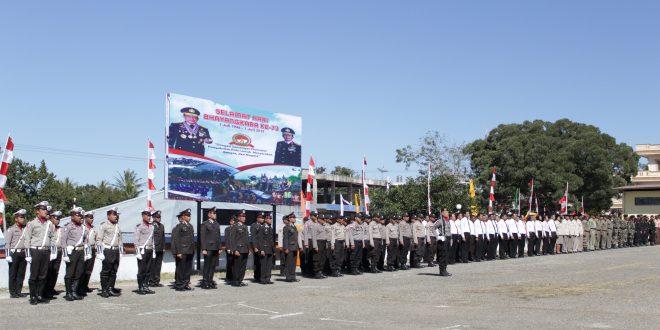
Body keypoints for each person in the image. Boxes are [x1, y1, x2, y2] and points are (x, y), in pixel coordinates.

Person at [25, 201, 55, 305]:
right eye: (43, 209)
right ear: (37, 211)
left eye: (46, 209)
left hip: (45, 251)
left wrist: (52, 251)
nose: (45, 211)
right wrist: (28, 254)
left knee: (43, 275)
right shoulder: (32, 223)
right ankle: (33, 296)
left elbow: (52, 238)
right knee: (34, 275)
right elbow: (27, 239)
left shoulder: (49, 224)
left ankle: (40, 295)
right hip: (35, 250)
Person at [96, 207, 123, 298]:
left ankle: (111, 288)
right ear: (108, 216)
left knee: (114, 270)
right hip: (107, 250)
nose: (116, 216)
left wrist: (121, 251)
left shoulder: (117, 226)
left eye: (116, 215)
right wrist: (99, 252)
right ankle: (104, 290)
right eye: (114, 214)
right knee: (106, 271)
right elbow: (99, 239)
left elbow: (120, 239)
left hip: (115, 251)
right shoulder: (104, 225)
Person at [61, 207, 86, 302]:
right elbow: (63, 240)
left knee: (79, 272)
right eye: (77, 215)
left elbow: (85, 240)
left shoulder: (83, 227)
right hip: (72, 251)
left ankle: (74, 291)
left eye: (80, 215)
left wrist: (86, 253)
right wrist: (65, 254)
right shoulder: (68, 226)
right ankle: (68, 293)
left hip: (80, 251)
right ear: (72, 216)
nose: (80, 217)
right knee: (70, 273)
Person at [5, 209, 28, 298]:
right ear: (16, 219)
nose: (23, 219)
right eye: (21, 217)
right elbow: (7, 243)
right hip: (14, 253)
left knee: (21, 273)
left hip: (23, 253)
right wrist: (7, 255)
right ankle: (13, 292)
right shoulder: (11, 229)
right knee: (13, 273)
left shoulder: (25, 229)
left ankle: (19, 291)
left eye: (23, 217)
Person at [171, 209, 195, 291]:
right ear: (183, 217)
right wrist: (178, 252)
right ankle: (179, 284)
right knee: (181, 268)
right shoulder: (179, 226)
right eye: (187, 215)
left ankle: (186, 283)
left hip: (189, 251)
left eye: (190, 215)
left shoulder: (190, 226)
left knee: (188, 269)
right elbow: (176, 240)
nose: (189, 217)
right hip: (182, 250)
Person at [134, 210, 155, 295]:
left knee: (148, 269)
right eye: (147, 215)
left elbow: (153, 239)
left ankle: (146, 286)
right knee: (141, 269)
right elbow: (136, 240)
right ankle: (140, 287)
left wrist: (154, 250)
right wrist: (137, 252)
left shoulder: (151, 226)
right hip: (143, 250)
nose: (149, 217)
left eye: (150, 215)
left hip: (150, 249)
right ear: (143, 216)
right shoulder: (139, 226)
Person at [44, 210, 63, 300]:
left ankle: (51, 288)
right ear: (51, 218)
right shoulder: (47, 228)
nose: (58, 220)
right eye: (56, 218)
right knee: (48, 271)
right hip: (50, 251)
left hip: (59, 251)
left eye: (59, 218)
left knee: (55, 271)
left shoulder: (60, 229)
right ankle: (46, 289)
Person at [201, 207, 221, 289]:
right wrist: (204, 249)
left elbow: (218, 237)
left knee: (213, 266)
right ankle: (205, 282)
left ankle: (210, 281)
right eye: (213, 213)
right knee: (207, 266)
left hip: (215, 248)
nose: (215, 215)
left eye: (215, 213)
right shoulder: (205, 224)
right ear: (209, 214)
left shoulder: (216, 224)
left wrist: (219, 248)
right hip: (208, 248)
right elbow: (203, 237)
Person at [229, 210, 250, 287]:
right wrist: (234, 250)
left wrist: (249, 249)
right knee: (237, 266)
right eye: (242, 216)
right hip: (238, 249)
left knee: (243, 266)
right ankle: (236, 281)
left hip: (245, 249)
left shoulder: (245, 227)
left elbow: (247, 239)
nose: (244, 218)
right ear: (238, 217)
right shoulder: (235, 226)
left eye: (245, 216)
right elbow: (232, 239)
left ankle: (240, 280)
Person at [79, 211, 97, 297]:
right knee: (83, 268)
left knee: (89, 269)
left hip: (92, 249)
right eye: (90, 217)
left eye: (92, 217)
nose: (91, 219)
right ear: (85, 218)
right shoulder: (82, 227)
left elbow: (97, 239)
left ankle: (85, 285)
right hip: (85, 249)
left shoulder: (94, 228)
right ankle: (80, 286)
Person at [257, 212, 275, 284]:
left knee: (269, 265)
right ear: (265, 220)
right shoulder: (262, 228)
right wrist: (261, 250)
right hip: (264, 248)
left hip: (270, 249)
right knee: (264, 265)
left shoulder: (270, 228)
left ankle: (268, 278)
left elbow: (271, 240)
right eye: (269, 218)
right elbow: (260, 240)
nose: (270, 220)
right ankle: (263, 279)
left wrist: (273, 250)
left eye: (271, 218)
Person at [149, 210, 165, 287]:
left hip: (160, 248)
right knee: (152, 265)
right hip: (153, 248)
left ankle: (157, 281)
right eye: (157, 217)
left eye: (160, 217)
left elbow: (163, 237)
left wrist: (164, 247)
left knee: (158, 265)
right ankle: (151, 281)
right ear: (153, 218)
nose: (159, 219)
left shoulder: (162, 226)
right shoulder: (151, 225)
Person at [250, 212, 265, 282]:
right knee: (257, 262)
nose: (263, 219)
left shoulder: (263, 226)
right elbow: (253, 237)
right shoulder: (254, 225)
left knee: (262, 262)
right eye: (261, 218)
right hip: (257, 247)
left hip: (263, 246)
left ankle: (261, 276)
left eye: (263, 218)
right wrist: (255, 247)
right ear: (257, 218)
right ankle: (256, 276)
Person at [224, 215, 235, 282]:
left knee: (235, 263)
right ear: (230, 222)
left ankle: (234, 275)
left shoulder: (236, 228)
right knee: (229, 263)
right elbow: (227, 239)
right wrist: (228, 248)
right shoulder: (227, 229)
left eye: (234, 221)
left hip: (235, 248)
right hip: (229, 248)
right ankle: (228, 276)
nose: (233, 222)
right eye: (232, 221)